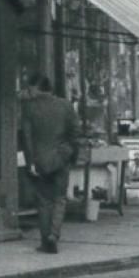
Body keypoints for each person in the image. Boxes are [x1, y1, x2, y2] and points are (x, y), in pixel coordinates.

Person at [18, 74, 86, 254]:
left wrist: (30, 161)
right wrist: (72, 155)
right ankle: (54, 235)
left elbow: (27, 137)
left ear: (37, 88)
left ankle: (45, 239)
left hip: (40, 161)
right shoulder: (65, 105)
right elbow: (75, 132)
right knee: (59, 199)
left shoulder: (29, 108)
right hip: (62, 159)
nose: (29, 92)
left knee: (44, 201)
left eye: (31, 88)